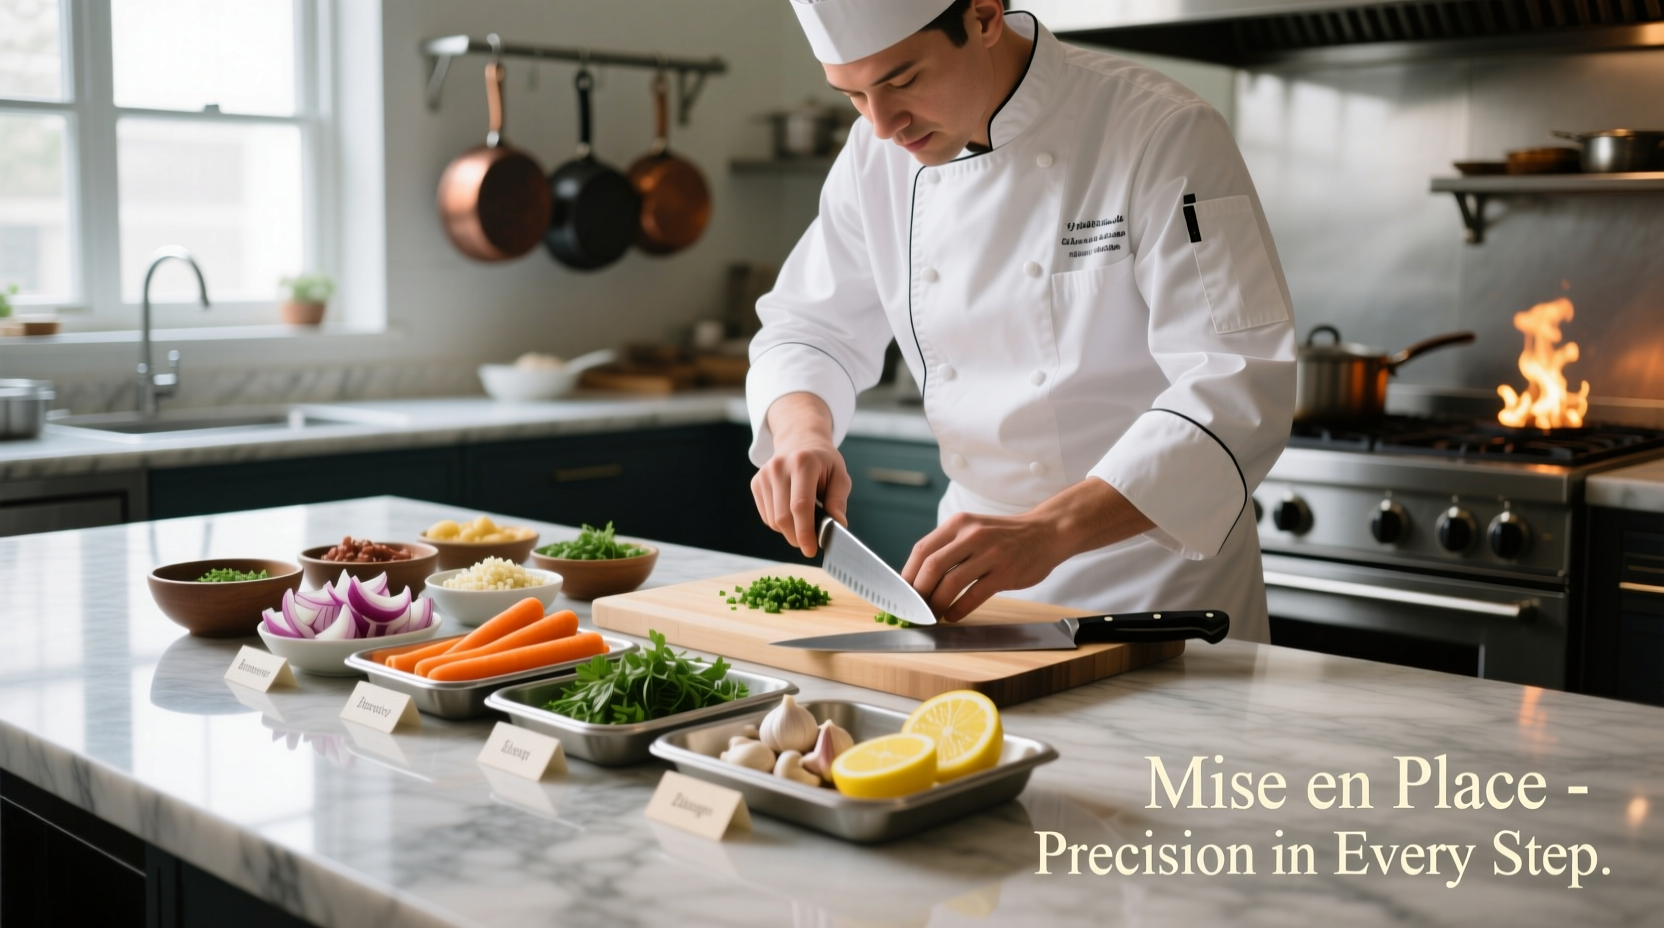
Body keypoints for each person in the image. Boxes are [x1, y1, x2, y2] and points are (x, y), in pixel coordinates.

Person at [745, 0, 1296, 641]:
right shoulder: (876, 158)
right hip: (975, 585)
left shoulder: (1162, 130)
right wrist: (801, 436)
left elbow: (1236, 384)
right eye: (853, 95)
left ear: (983, 17)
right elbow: (807, 326)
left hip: (1157, 586)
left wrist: (1051, 530)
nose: (883, 125)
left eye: (902, 81)